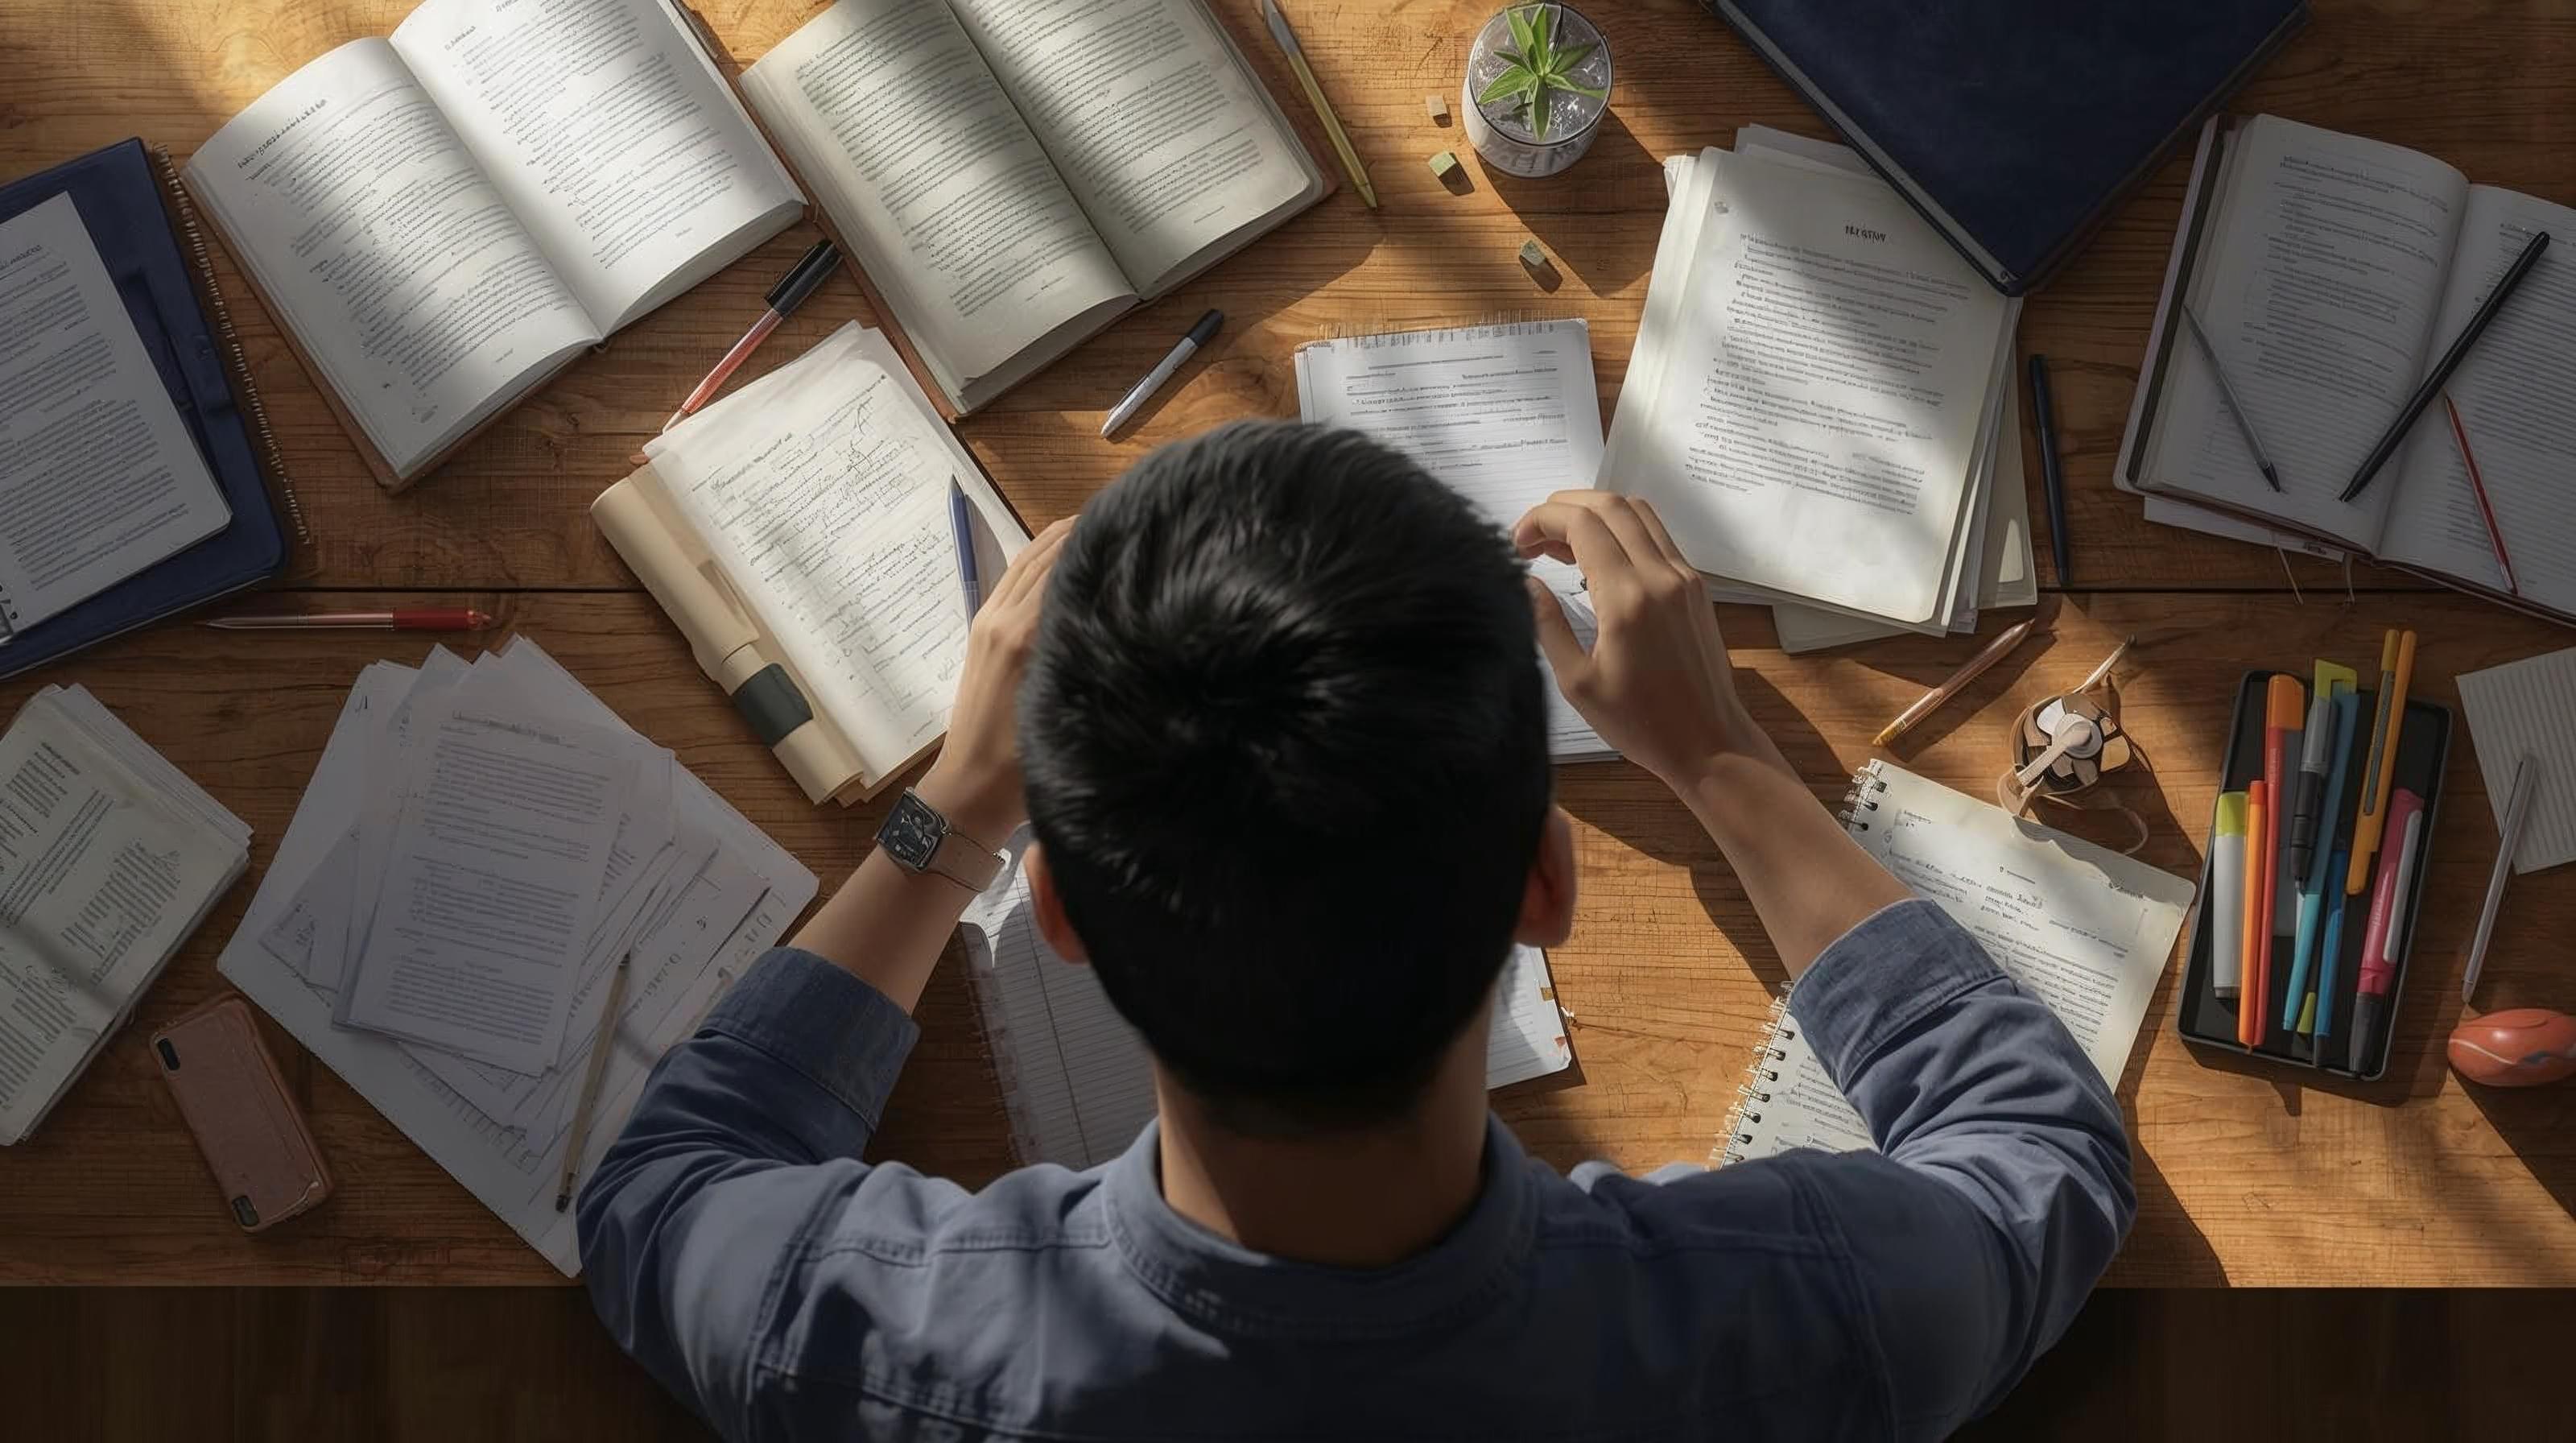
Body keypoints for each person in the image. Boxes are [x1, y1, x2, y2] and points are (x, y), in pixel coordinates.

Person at [580, 423, 2134, 1440]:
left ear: (1057, 913)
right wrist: (1722, 758)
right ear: (1548, 886)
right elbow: (2037, 1151)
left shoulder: (886, 1339)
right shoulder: (1783, 1325)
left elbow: (663, 1192)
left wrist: (958, 809)